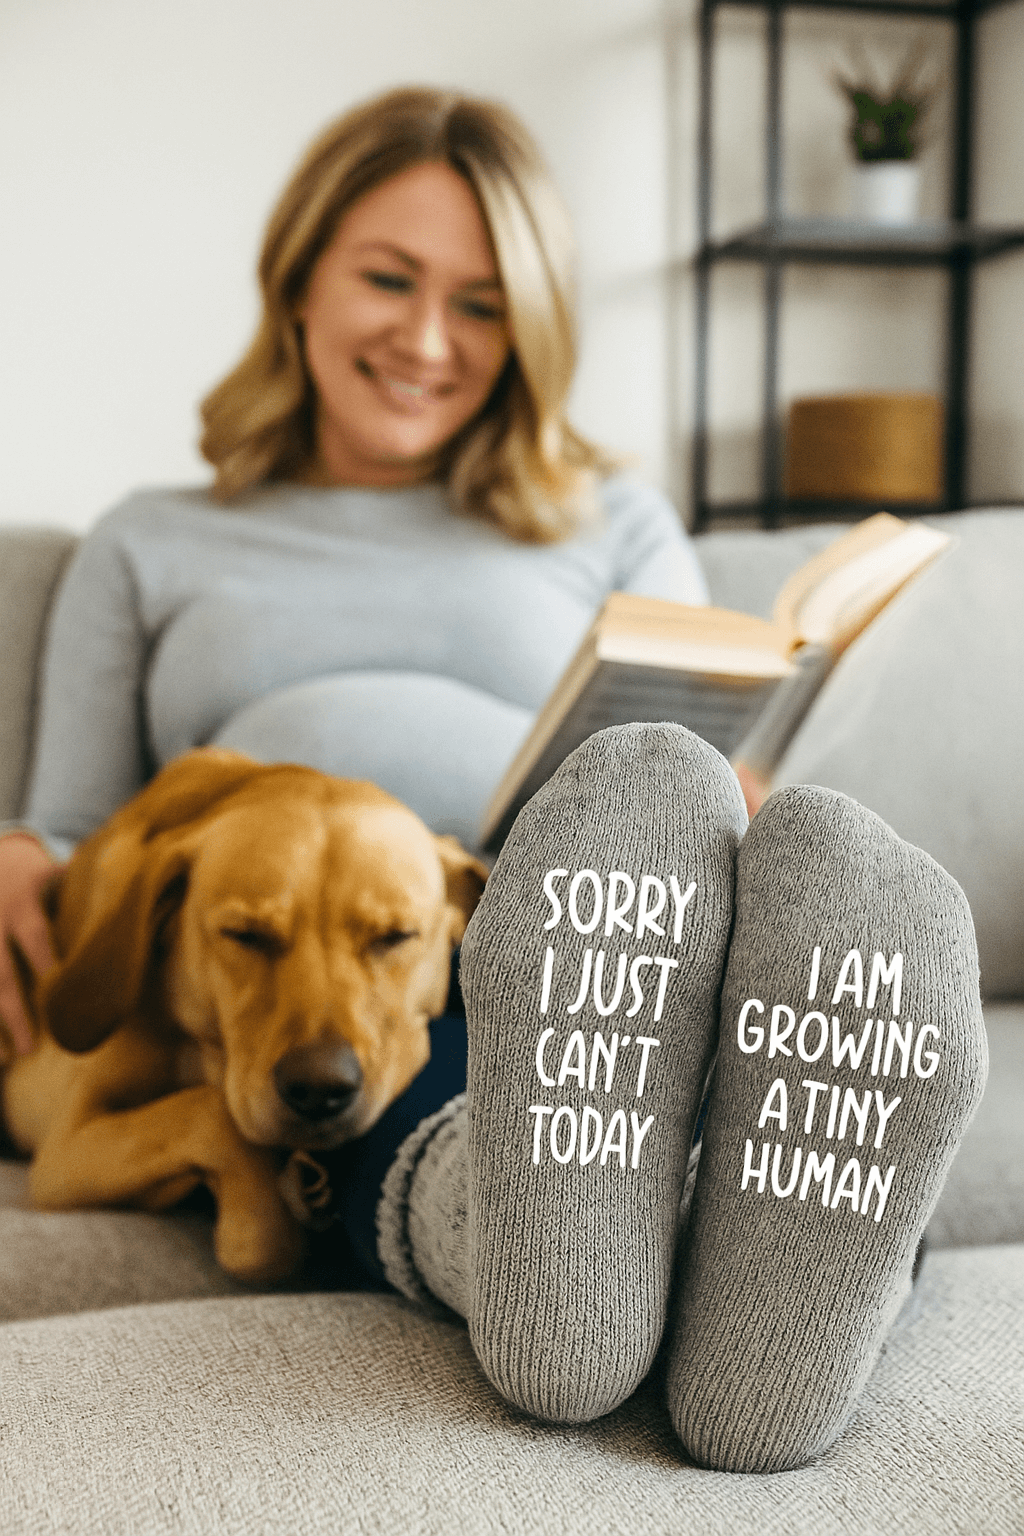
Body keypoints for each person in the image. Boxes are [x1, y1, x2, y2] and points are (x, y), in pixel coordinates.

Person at [0, 85, 708, 1059]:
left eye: (479, 307)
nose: (425, 342)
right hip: (327, 1015)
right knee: (396, 1059)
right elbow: (77, 833)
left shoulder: (616, 522)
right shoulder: (145, 542)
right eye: (387, 280)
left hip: (583, 957)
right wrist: (22, 854)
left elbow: (693, 788)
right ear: (299, 281)